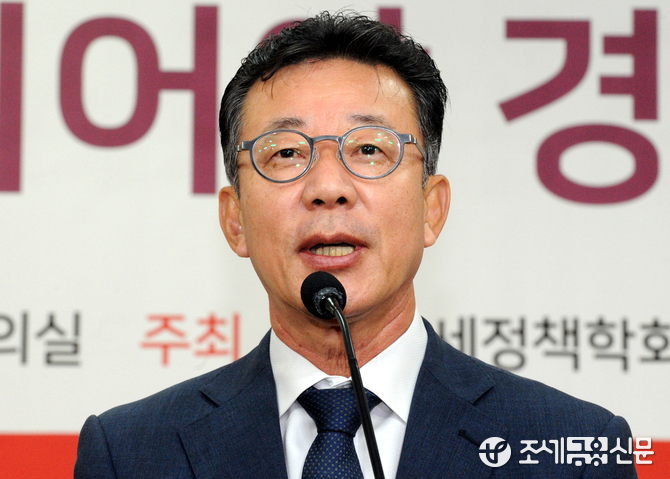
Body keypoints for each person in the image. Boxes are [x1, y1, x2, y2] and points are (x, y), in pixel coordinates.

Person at [74, 12, 637, 479]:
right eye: (286, 153)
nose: (327, 188)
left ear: (432, 208)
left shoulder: (573, 449)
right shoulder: (130, 453)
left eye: (369, 149)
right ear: (235, 219)